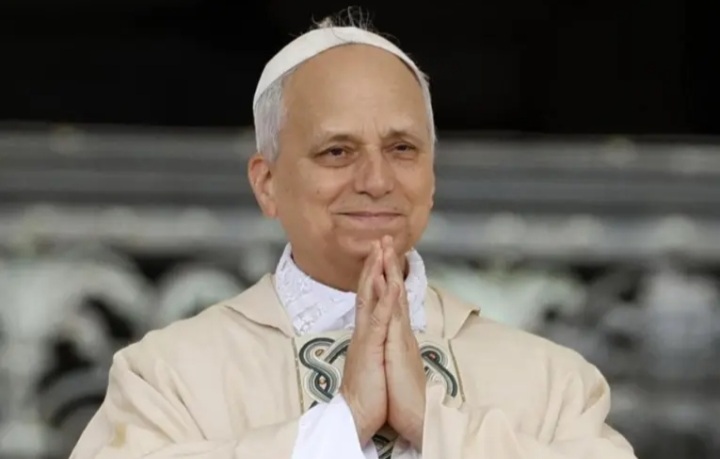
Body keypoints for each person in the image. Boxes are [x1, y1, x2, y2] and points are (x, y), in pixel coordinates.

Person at [70, 14, 637, 459]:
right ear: (267, 184)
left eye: (402, 149)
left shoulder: (553, 382)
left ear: (431, 177)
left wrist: (431, 425)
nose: (376, 180)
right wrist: (345, 421)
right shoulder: (166, 379)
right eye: (337, 151)